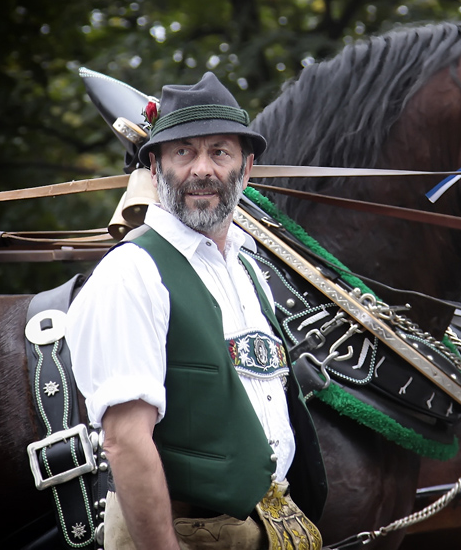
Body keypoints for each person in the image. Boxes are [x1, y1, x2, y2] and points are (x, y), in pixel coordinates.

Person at [66, 71, 327, 550]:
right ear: (156, 167)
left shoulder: (249, 270)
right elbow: (126, 441)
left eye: (220, 152)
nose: (202, 169)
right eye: (184, 151)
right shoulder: (133, 273)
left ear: (245, 170)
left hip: (269, 528)